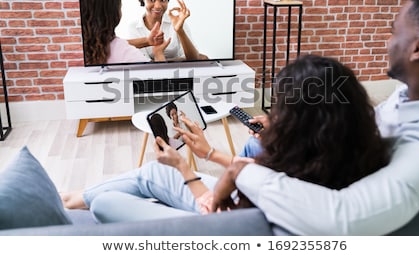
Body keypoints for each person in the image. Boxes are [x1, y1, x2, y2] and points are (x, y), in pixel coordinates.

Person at [212, 0, 419, 235]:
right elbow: (356, 126)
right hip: (337, 166)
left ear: (418, 48)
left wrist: (240, 171)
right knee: (253, 148)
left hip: (324, 192)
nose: (388, 42)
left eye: (393, 32)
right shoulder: (408, 95)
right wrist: (289, 126)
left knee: (174, 182)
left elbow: (345, 218)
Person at [61, 55, 390, 226]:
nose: (275, 114)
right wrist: (215, 152)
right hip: (240, 197)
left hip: (217, 224)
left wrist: (185, 168)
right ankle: (74, 198)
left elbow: (218, 217)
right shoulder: (354, 153)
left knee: (107, 204)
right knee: (150, 174)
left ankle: (74, 204)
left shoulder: (284, 188)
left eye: (281, 110)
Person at [79, 0, 169, 66]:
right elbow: (161, 77)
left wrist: (147, 41)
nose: (157, 6)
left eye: (163, 0)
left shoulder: (75, 48)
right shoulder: (126, 53)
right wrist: (158, 53)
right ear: (114, 12)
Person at [125, 0, 207, 61]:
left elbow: (194, 59)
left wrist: (180, 30)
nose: (158, 6)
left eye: (163, 0)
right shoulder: (133, 27)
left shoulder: (177, 22)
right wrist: (178, 60)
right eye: (152, 0)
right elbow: (143, 63)